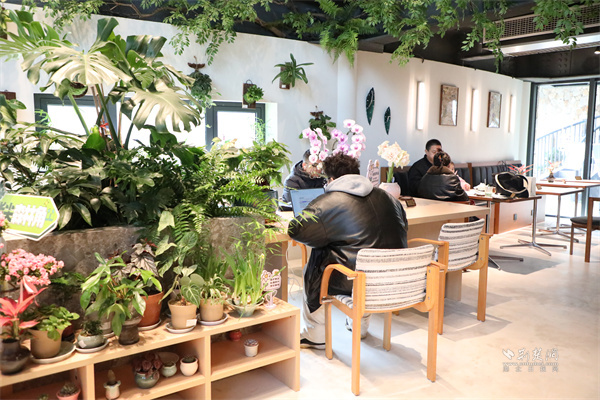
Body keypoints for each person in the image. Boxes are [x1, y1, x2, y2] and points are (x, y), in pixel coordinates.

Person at [288, 153, 408, 349]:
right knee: (368, 260)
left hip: (351, 279)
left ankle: (315, 334)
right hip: (393, 275)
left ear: (331, 179)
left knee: (319, 256)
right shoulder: (388, 197)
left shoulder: (329, 201)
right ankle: (359, 326)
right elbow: (403, 226)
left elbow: (296, 229)